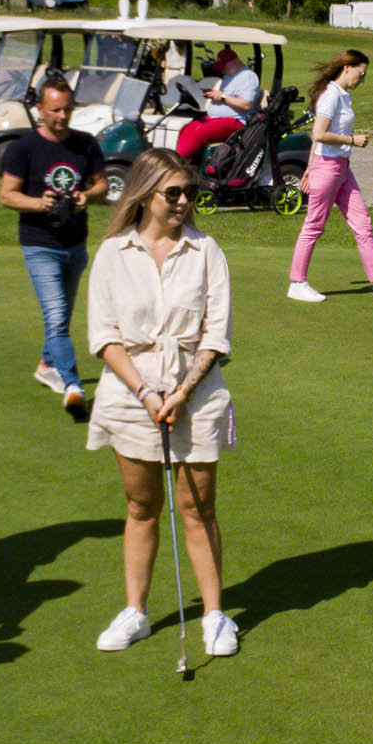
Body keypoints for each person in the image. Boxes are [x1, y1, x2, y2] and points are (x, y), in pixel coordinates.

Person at [82, 150, 238, 655]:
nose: (184, 201)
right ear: (145, 193)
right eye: (173, 192)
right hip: (131, 393)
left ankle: (215, 616)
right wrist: (149, 393)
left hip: (198, 392)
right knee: (142, 505)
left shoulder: (206, 250)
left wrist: (182, 392)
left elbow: (216, 336)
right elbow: (104, 337)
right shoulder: (112, 253)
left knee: (198, 508)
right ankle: (136, 612)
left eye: (189, 192)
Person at [0, 79, 102, 421]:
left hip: (75, 242)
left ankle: (46, 363)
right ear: (39, 109)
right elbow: (7, 195)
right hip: (39, 244)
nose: (62, 116)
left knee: (62, 315)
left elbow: (101, 182)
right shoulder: (23, 148)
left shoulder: (85, 144)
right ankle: (73, 386)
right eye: (55, 110)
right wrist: (39, 203)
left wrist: (89, 195)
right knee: (56, 317)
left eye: (67, 109)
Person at [287, 50, 373, 305]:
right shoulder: (330, 97)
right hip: (328, 168)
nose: (362, 79)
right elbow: (319, 133)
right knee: (314, 226)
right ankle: (297, 283)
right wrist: (350, 141)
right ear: (347, 68)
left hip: (342, 168)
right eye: (361, 73)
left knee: (363, 223)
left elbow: (319, 137)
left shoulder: (343, 98)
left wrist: (309, 167)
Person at [175, 48, 261, 160]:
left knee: (199, 132)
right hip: (219, 119)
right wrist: (214, 95)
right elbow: (227, 98)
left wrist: (222, 97)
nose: (222, 71)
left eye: (224, 67)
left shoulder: (247, 76)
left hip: (236, 121)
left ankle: (178, 163)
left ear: (234, 62)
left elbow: (246, 104)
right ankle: (183, 160)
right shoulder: (228, 76)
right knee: (187, 128)